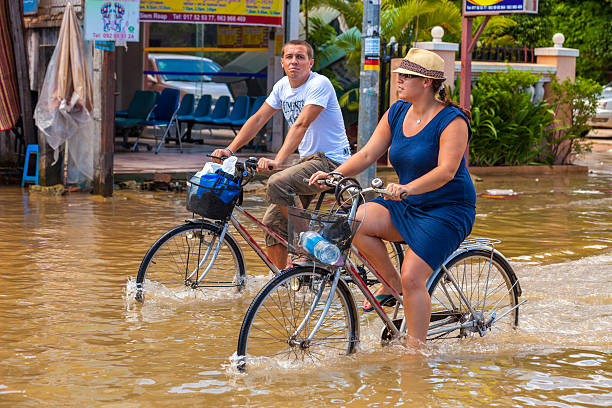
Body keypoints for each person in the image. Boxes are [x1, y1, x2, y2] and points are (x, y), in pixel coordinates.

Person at [310, 48, 476, 348]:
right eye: (399, 74)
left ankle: (415, 354)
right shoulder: (398, 111)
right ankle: (392, 286)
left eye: (406, 75)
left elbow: (446, 172)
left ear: (426, 83)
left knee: (414, 276)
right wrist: (334, 175)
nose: (398, 79)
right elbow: (368, 153)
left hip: (446, 209)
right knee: (356, 219)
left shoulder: (453, 121)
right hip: (406, 203)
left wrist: (408, 188)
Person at [212, 40, 351, 269]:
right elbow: (258, 119)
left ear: (310, 63)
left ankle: (312, 245)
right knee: (273, 223)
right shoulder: (282, 86)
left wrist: (278, 161)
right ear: (283, 62)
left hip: (332, 161)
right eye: (289, 57)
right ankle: (280, 281)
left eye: (300, 57)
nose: (294, 61)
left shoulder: (320, 84)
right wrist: (229, 150)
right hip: (308, 162)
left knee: (277, 181)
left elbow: (301, 124)